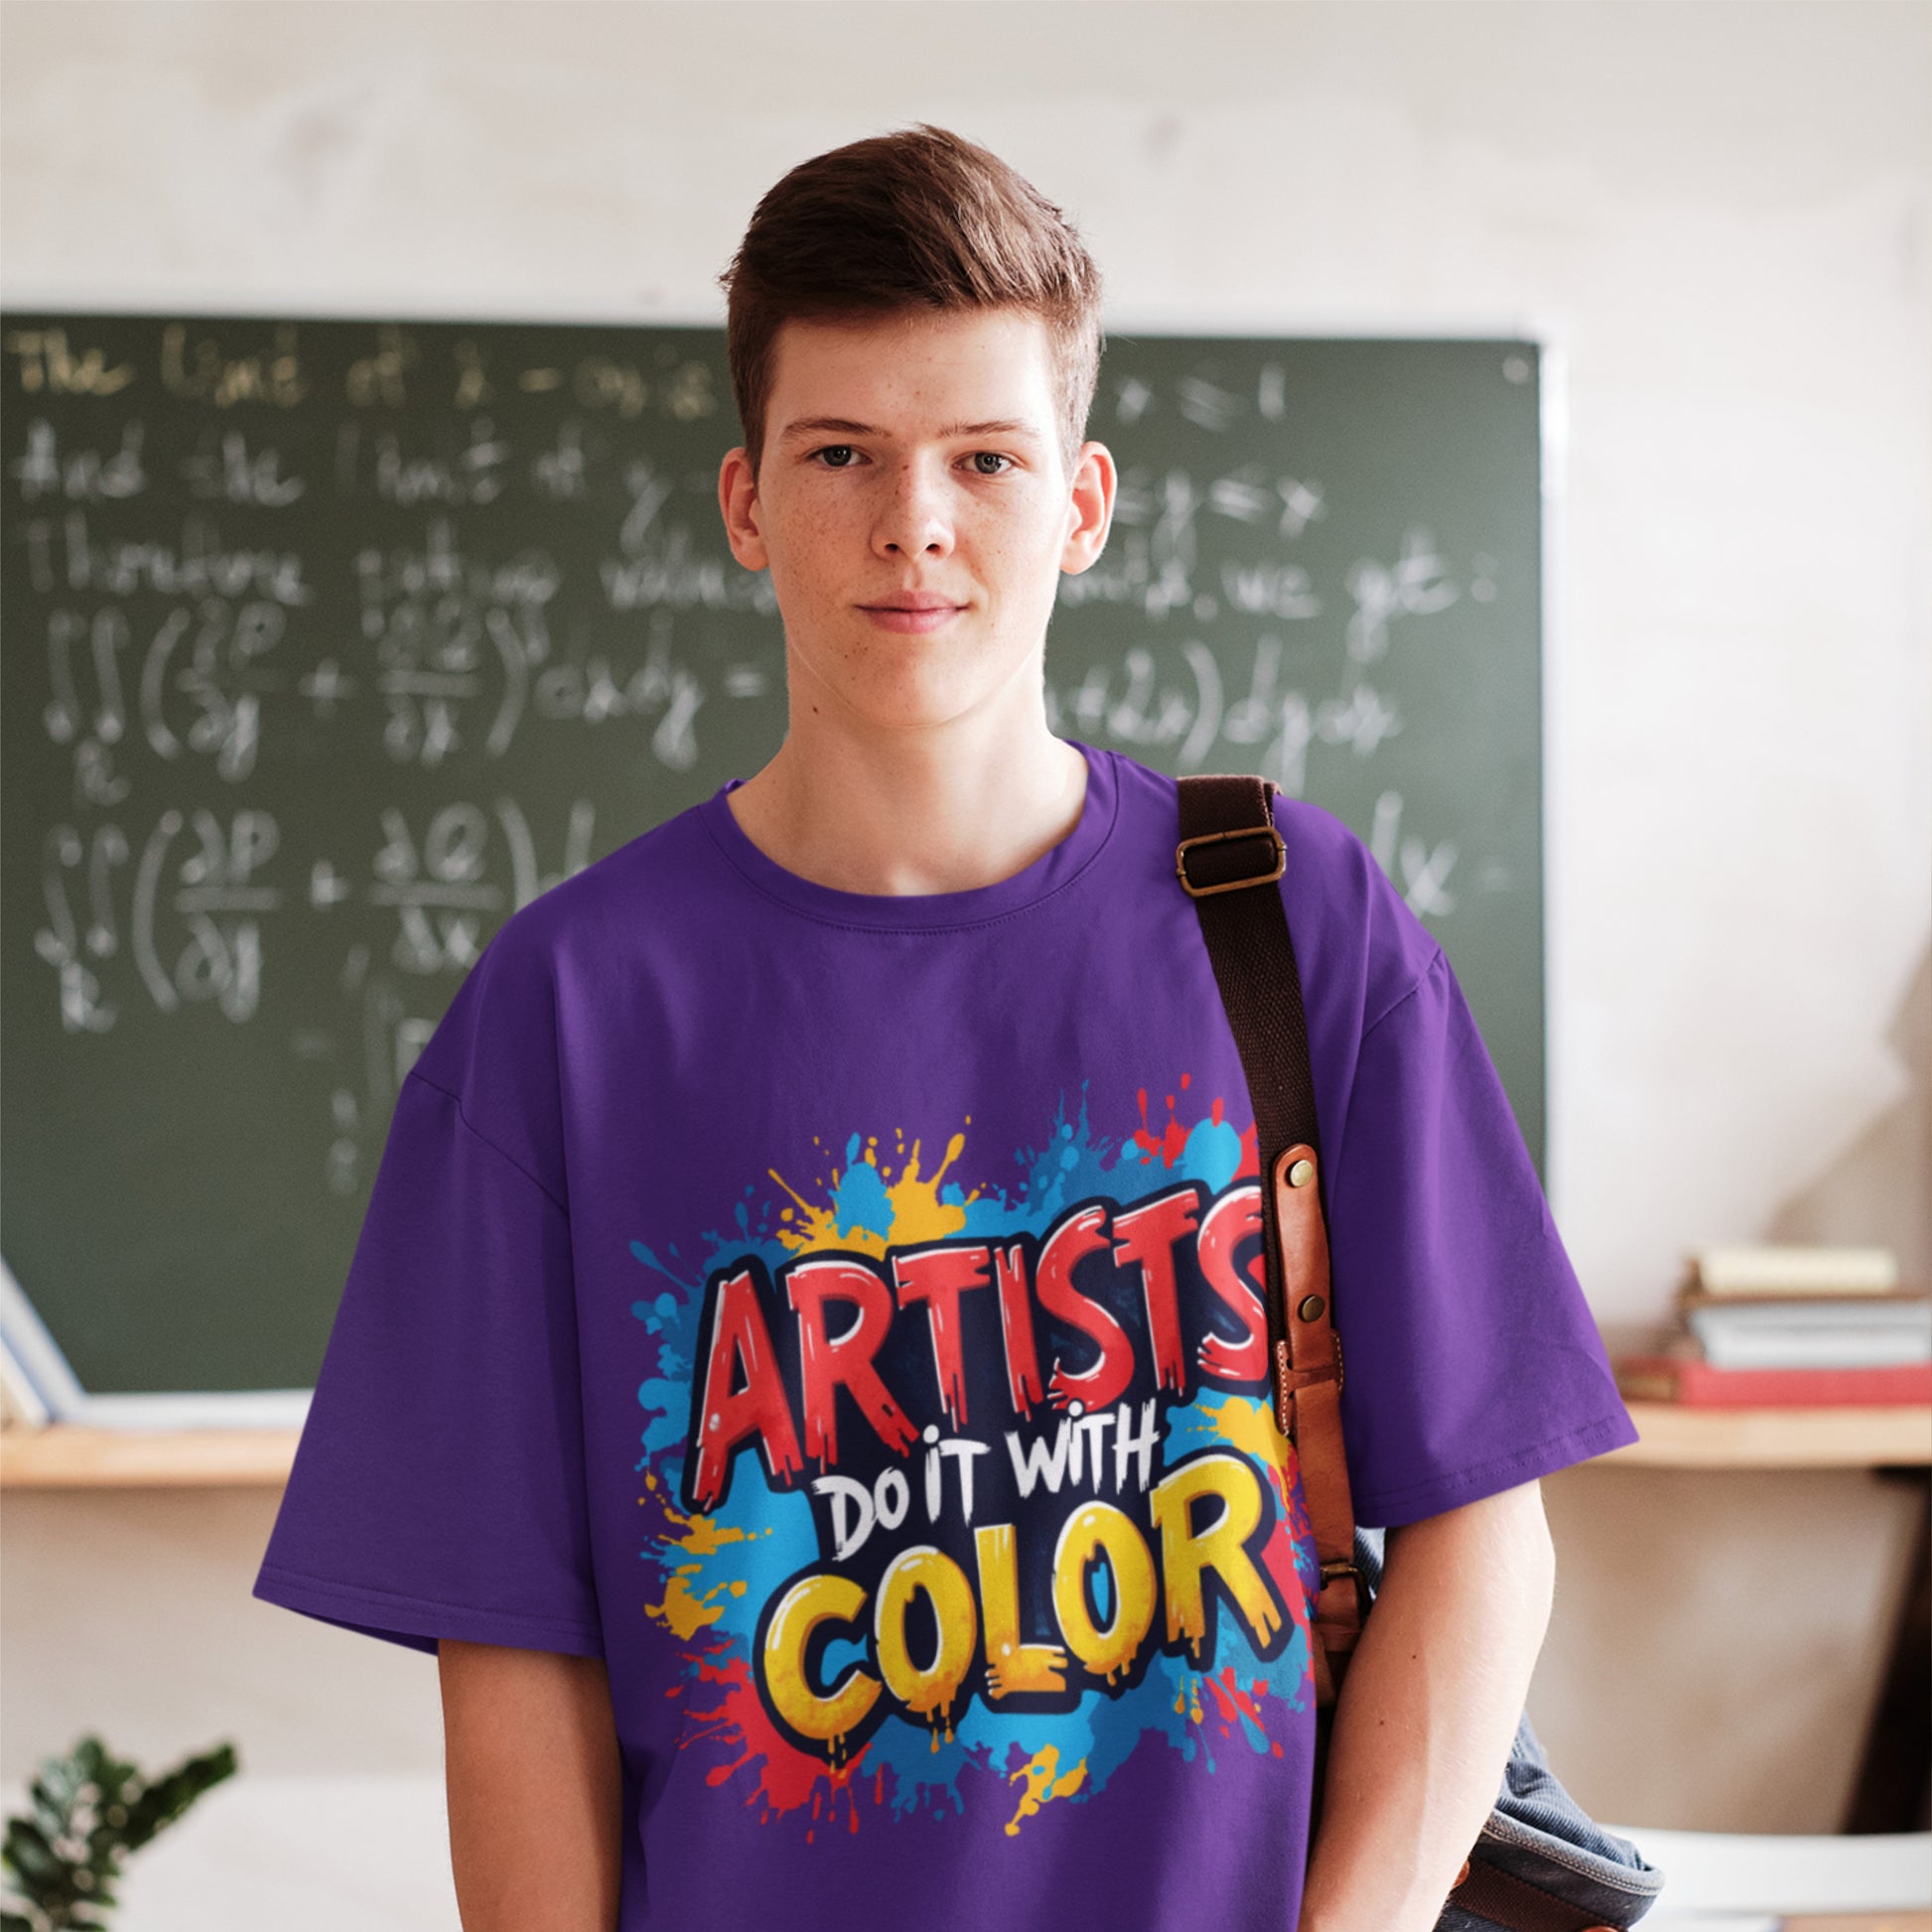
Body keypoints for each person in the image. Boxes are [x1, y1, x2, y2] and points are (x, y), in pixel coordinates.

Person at [254, 125, 1638, 1932]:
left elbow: (1483, 1525)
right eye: (841, 452)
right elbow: (519, 1661)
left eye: (985, 456)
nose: (913, 519)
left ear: (1080, 499)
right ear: (745, 498)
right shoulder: (569, 1009)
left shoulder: (1292, 918)